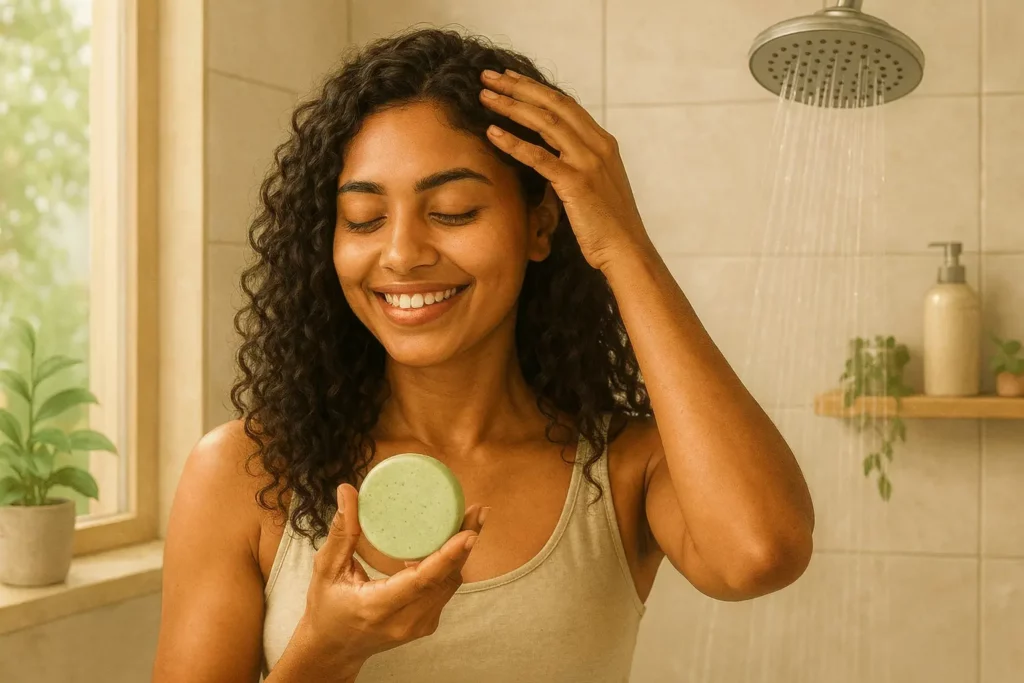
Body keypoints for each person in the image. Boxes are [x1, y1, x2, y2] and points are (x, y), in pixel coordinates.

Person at [151, 27, 815, 683]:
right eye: (363, 218)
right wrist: (327, 652)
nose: (403, 252)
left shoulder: (623, 467)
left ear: (540, 224)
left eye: (454, 210)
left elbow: (761, 552)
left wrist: (621, 244)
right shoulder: (247, 473)